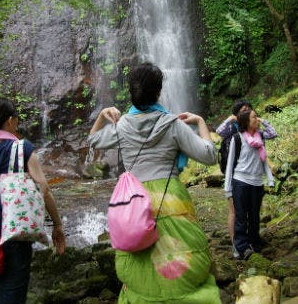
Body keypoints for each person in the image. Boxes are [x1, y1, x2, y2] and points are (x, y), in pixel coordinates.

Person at [89, 62, 221, 304]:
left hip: (135, 201)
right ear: (159, 92)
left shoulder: (122, 126)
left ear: (132, 93)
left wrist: (101, 115)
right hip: (171, 199)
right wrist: (200, 122)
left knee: (141, 257)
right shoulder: (172, 124)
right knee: (182, 255)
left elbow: (94, 140)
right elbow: (209, 155)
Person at [0, 98, 66, 304]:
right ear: (11, 121)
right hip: (15, 230)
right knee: (12, 291)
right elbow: (44, 189)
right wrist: (56, 225)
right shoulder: (22, 149)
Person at [223, 109, 276, 260]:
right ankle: (241, 247)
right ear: (246, 122)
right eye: (254, 117)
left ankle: (254, 244)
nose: (257, 119)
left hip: (257, 183)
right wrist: (228, 189)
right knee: (241, 217)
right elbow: (230, 165)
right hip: (240, 182)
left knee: (254, 216)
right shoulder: (237, 139)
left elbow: (263, 160)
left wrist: (270, 179)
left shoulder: (260, 138)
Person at [215, 99, 253, 256]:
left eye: (248, 110)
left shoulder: (251, 129)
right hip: (233, 175)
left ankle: (247, 240)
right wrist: (231, 118)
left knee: (249, 210)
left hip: (249, 175)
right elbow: (219, 131)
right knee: (234, 211)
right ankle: (235, 244)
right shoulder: (232, 129)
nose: (246, 112)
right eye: (242, 110)